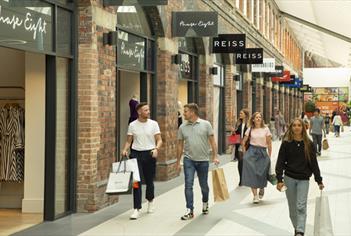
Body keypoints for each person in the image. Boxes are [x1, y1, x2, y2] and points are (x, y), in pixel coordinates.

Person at [276, 118, 324, 236]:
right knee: (293, 208)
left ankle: (300, 232)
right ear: (291, 128)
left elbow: (313, 163)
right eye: (294, 125)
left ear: (303, 127)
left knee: (301, 206)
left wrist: (319, 180)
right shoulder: (286, 143)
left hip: (303, 179)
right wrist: (279, 180)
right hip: (289, 178)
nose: (297, 127)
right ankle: (297, 228)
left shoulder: (309, 144)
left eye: (299, 125)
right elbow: (280, 161)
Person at [176, 103, 220, 220]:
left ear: (192, 112)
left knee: (203, 185)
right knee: (188, 185)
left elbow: (212, 142)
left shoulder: (206, 124)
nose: (183, 113)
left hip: (203, 160)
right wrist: (177, 162)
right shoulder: (182, 127)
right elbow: (180, 146)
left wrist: (215, 156)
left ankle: (205, 203)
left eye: (185, 111)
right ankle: (189, 210)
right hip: (188, 160)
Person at [121, 103, 163, 220]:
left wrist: (156, 149)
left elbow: (159, 140)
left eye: (148, 109)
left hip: (149, 154)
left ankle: (150, 201)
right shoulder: (132, 125)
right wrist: (124, 149)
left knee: (149, 181)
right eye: (146, 110)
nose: (148, 112)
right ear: (139, 112)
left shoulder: (153, 124)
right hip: (135, 154)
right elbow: (129, 141)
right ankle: (136, 208)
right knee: (136, 182)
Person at [241, 112, 272, 204]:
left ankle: (261, 188)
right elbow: (243, 142)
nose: (258, 118)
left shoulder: (266, 129)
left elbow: (269, 144)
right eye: (256, 117)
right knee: (252, 174)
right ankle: (255, 196)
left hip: (262, 152)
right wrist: (245, 154)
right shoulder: (250, 129)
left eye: (260, 117)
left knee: (262, 173)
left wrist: (269, 156)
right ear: (253, 119)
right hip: (252, 152)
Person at [232, 109, 250, 186]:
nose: (240, 114)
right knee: (240, 162)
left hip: (248, 146)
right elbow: (235, 135)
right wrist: (233, 132)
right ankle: (241, 179)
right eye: (240, 113)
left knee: (247, 163)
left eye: (241, 113)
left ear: (245, 115)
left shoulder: (249, 124)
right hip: (239, 145)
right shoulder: (238, 123)